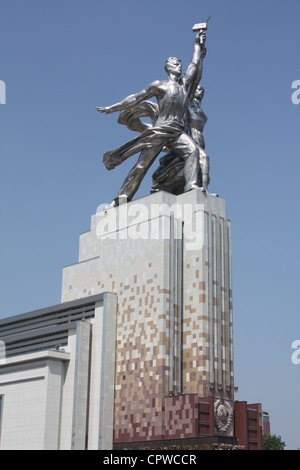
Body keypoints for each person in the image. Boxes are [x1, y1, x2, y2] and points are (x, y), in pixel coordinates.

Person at [97, 31, 206, 206]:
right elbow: (136, 98)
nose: (179, 65)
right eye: (174, 63)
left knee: (192, 150)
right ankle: (121, 197)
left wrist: (197, 45)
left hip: (177, 131)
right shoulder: (159, 86)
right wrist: (114, 108)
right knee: (142, 165)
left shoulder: (184, 85)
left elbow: (194, 63)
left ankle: (191, 186)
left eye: (180, 63)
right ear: (167, 67)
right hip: (160, 130)